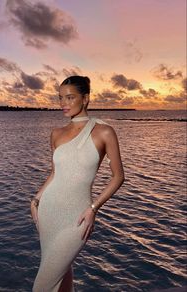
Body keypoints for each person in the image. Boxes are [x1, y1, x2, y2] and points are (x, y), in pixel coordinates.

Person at [31, 75, 125, 292]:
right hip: (48, 212)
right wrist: (36, 199)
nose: (63, 103)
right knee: (62, 275)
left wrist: (93, 208)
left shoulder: (104, 131)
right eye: (60, 98)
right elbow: (56, 173)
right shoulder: (56, 134)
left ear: (85, 99)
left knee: (43, 286)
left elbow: (118, 177)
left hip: (78, 217)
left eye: (69, 97)